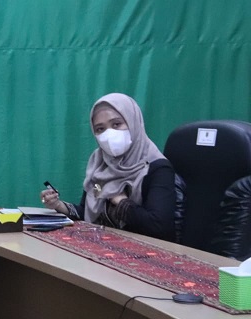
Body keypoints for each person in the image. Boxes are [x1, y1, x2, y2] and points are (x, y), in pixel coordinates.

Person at [39, 92, 176, 241]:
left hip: (144, 250)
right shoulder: (100, 166)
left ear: (133, 122)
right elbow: (89, 212)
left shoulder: (158, 169)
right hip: (104, 245)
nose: (109, 134)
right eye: (100, 129)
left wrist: (121, 202)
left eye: (116, 124)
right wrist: (58, 205)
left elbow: (159, 227)